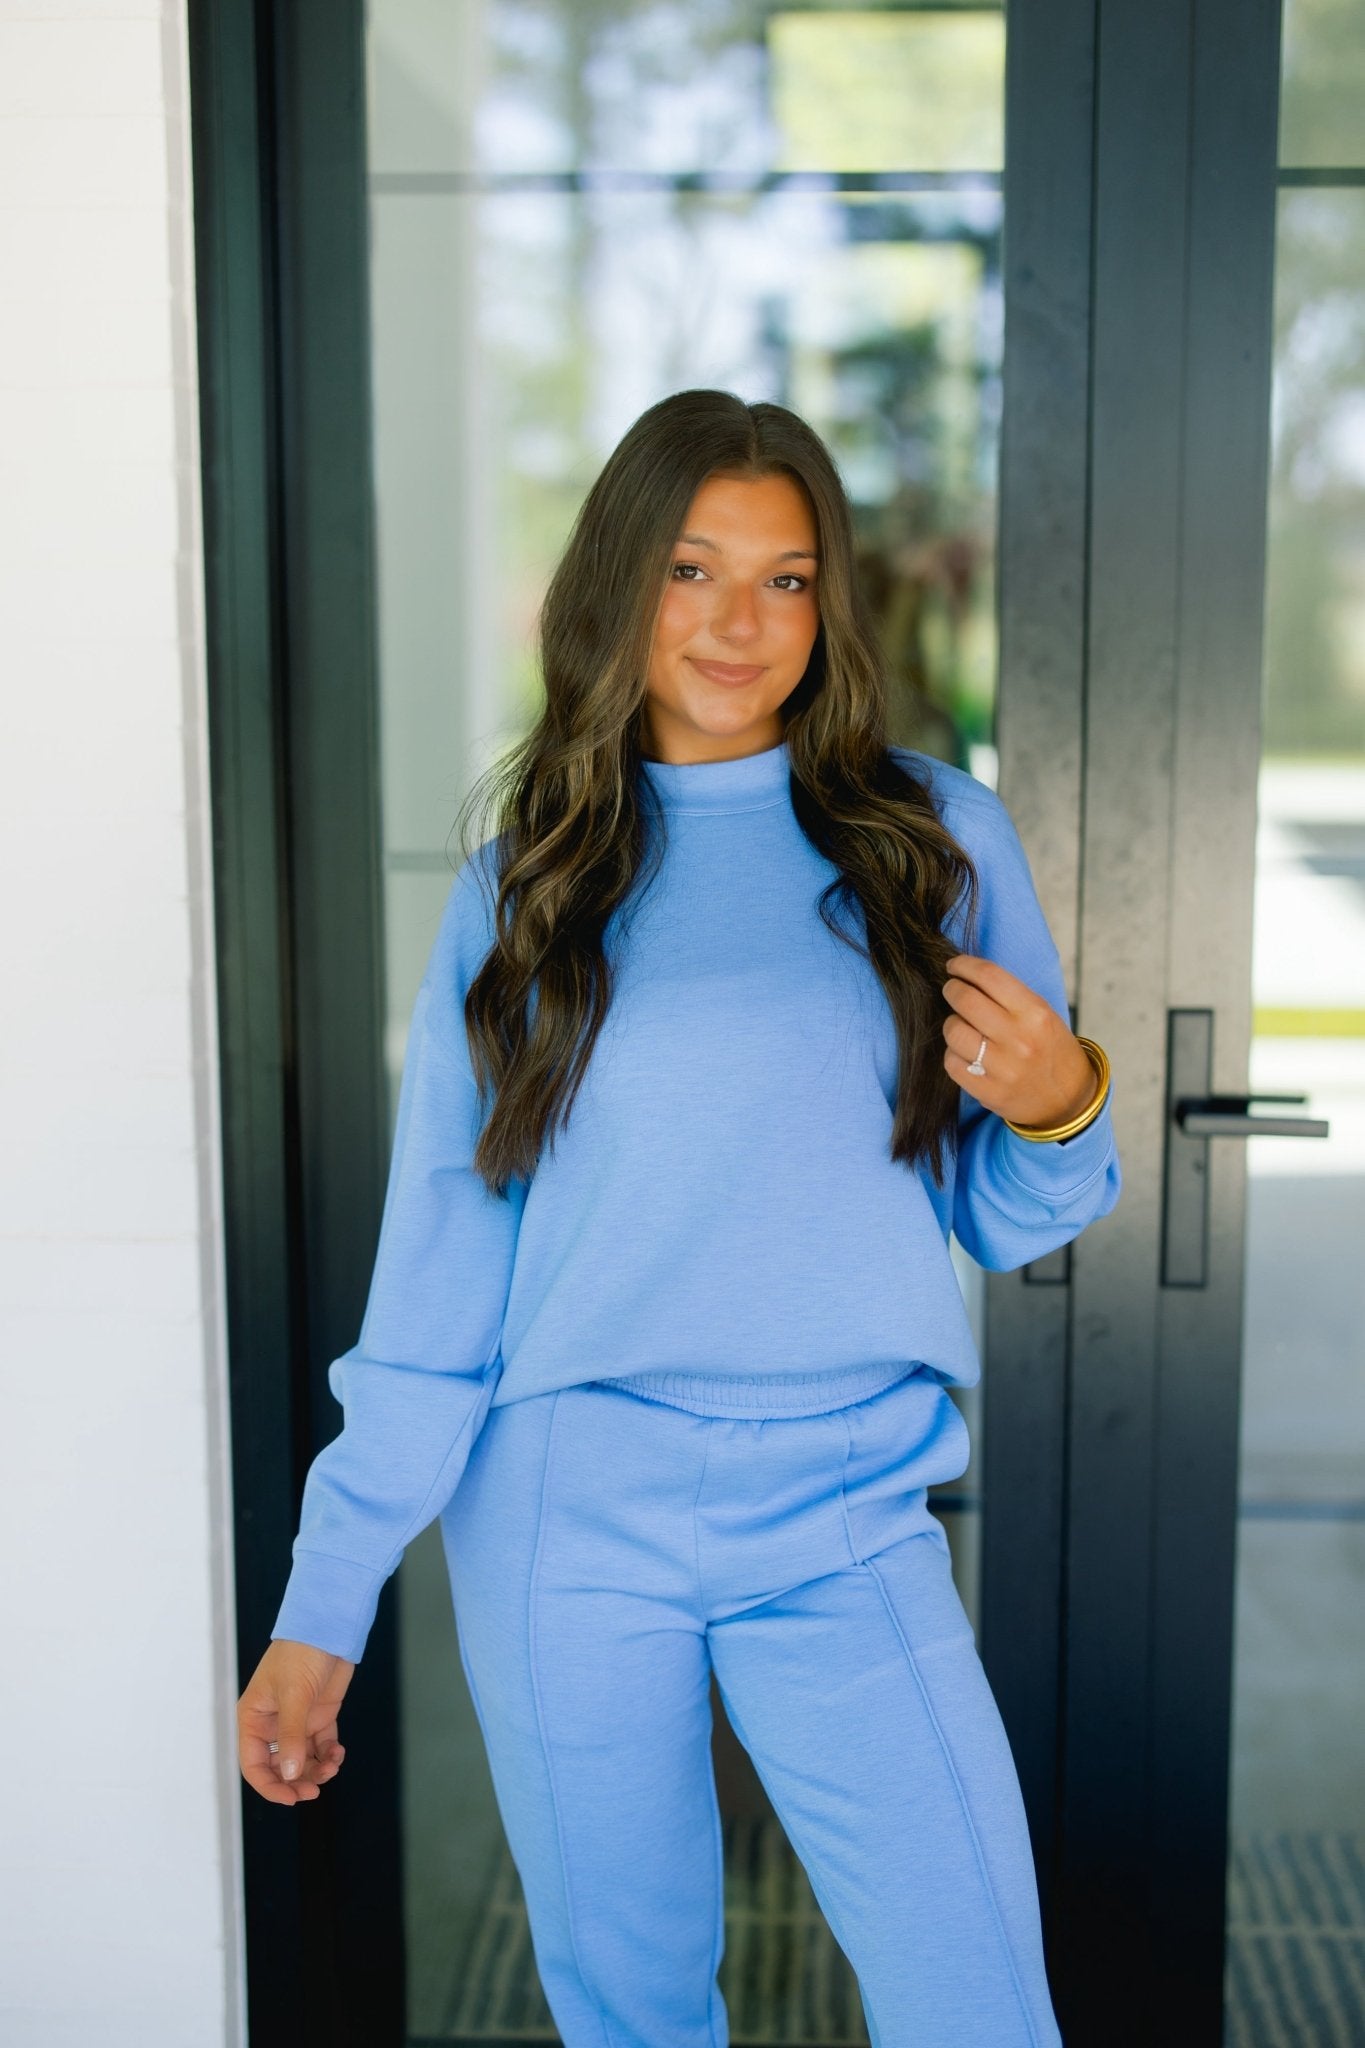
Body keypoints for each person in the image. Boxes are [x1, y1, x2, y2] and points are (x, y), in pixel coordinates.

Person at [237, 388, 1120, 2044]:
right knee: (632, 2012)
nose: (738, 622)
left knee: (978, 2002)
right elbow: (441, 1279)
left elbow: (1009, 1216)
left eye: (786, 580)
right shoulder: (527, 884)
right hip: (565, 1510)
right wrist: (321, 1602)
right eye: (691, 571)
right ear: (618, 586)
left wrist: (1063, 1099)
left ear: (827, 606)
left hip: (848, 1510)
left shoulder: (933, 842)